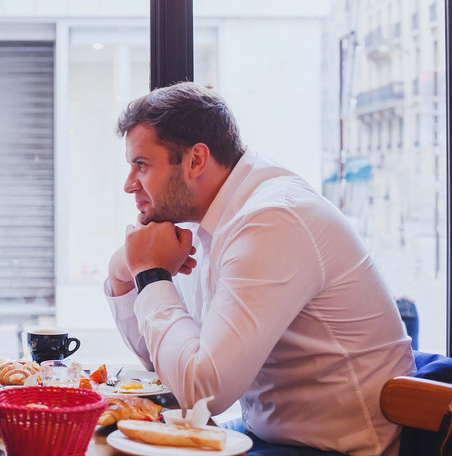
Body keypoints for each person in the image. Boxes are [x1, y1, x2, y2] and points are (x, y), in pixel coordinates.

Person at [105, 82, 415, 455]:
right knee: (121, 440)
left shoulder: (272, 219)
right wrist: (124, 272)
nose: (128, 184)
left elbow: (203, 392)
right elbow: (166, 366)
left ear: (196, 160)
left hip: (337, 450)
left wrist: (152, 275)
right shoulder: (204, 222)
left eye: (141, 165)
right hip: (271, 437)